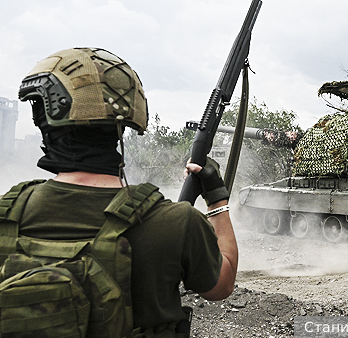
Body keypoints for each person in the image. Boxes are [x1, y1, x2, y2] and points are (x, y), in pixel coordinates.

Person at [9, 47, 238, 336]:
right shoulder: (176, 223)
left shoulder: (8, 214)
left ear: (44, 120)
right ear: (125, 120)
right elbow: (222, 284)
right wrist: (217, 199)